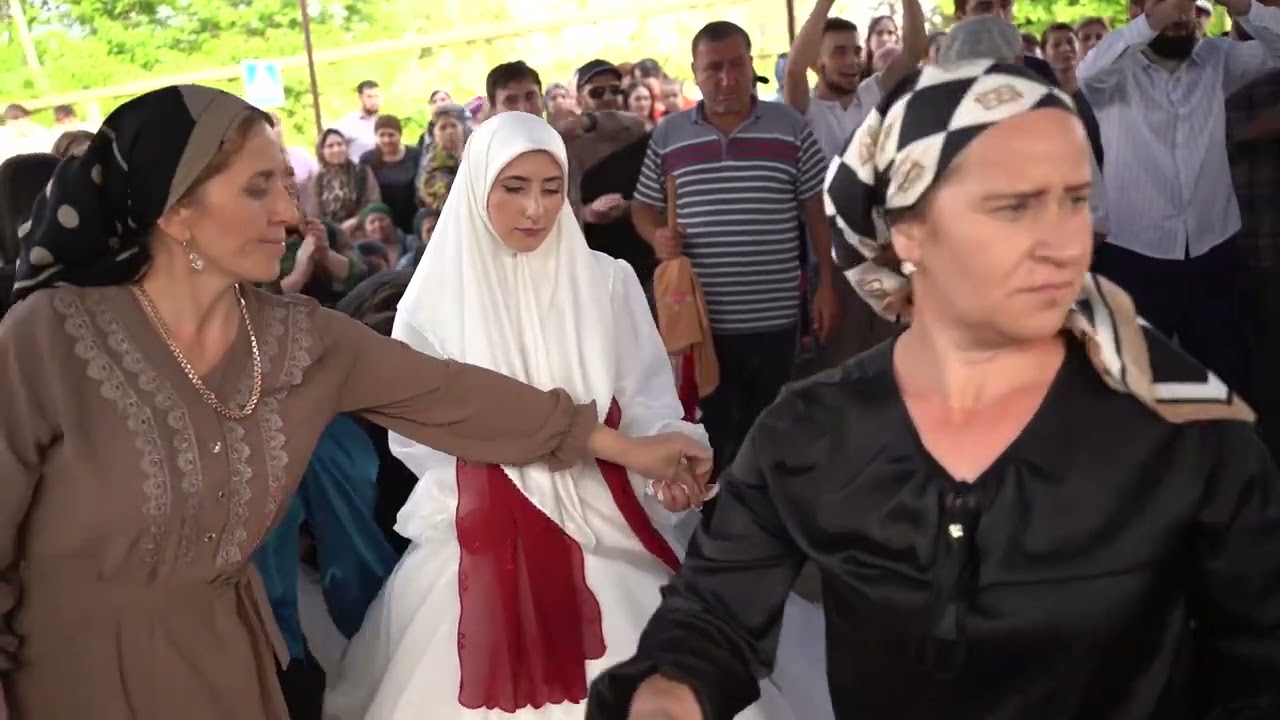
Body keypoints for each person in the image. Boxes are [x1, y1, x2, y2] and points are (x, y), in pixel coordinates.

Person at [586, 60, 1280, 719]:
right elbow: (713, 615)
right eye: (1012, 207)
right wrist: (671, 694)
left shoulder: (1183, 430)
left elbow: (1257, 660)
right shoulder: (811, 433)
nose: (1061, 243)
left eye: (1074, 200)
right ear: (908, 231)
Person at [0, 85, 713, 720]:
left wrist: (632, 448)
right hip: (66, 678)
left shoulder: (299, 338)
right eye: (259, 188)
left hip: (224, 670)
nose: (291, 211)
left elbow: (461, 399)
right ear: (178, 211)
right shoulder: (50, 340)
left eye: (286, 184)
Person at [323, 112, 820, 720]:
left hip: (604, 513)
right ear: (477, 187)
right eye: (514, 188)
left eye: (551, 188)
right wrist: (522, 471)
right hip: (484, 526)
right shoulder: (431, 303)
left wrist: (664, 459)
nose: (535, 208)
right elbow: (419, 434)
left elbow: (647, 396)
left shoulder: (606, 281)